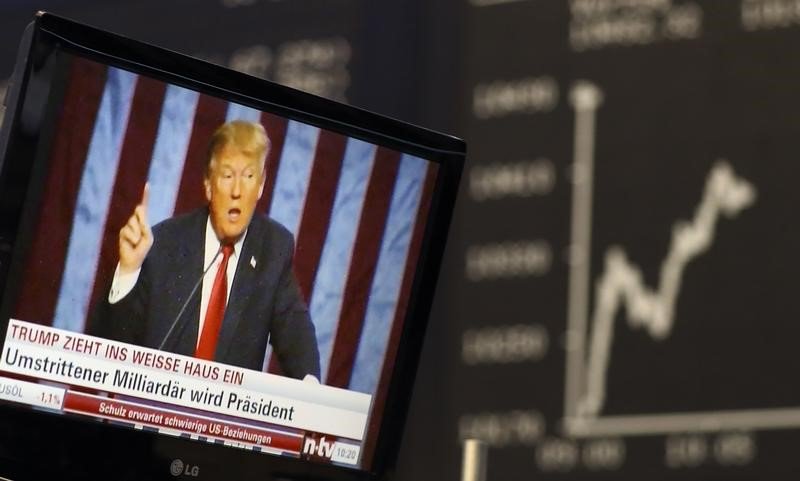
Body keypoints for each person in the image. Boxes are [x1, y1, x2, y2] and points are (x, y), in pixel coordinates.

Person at [93, 120, 320, 380]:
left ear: (261, 185)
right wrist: (128, 272)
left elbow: (294, 328)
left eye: (248, 176)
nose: (237, 191)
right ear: (209, 185)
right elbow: (109, 347)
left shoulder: (273, 248)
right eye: (227, 176)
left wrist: (310, 387)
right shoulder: (163, 243)